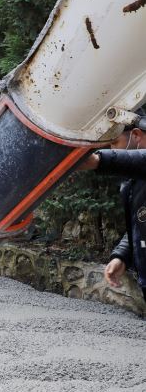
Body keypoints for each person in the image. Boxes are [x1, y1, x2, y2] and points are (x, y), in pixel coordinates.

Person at [79, 111, 146, 300]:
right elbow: (139, 223)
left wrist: (99, 160)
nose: (111, 148)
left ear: (136, 136)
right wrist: (122, 256)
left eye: (114, 144)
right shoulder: (135, 182)